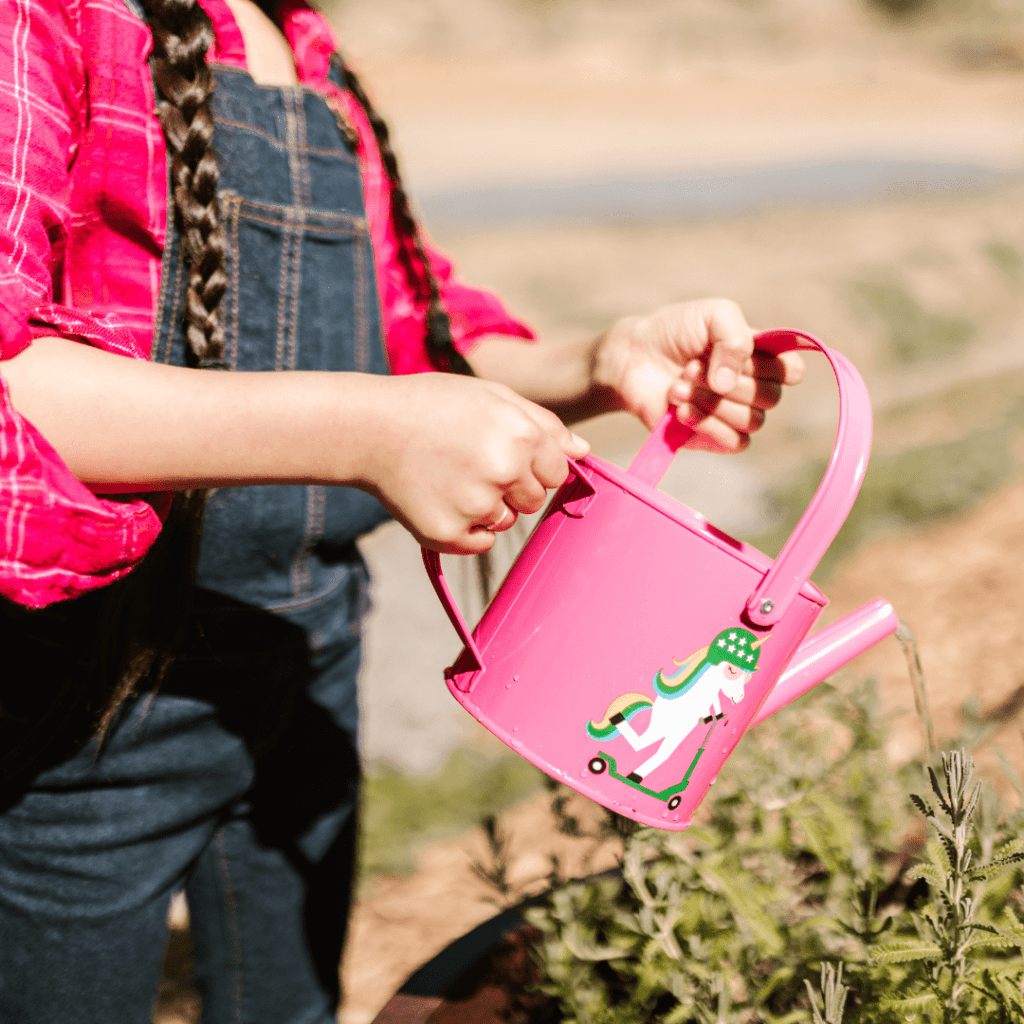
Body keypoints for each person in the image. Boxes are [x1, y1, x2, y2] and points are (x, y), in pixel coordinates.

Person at [0, 0, 804, 1020]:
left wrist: (601, 363)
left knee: (289, 1002)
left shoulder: (313, 54)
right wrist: (366, 433)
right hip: (89, 708)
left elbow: (412, 334)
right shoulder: (53, 17)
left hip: (309, 662)